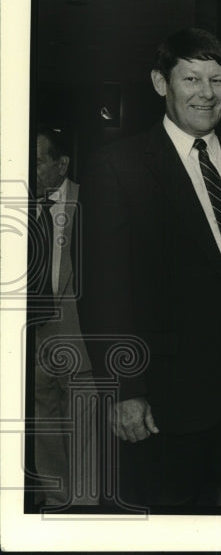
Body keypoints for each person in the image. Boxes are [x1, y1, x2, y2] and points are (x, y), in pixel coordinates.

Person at [78, 28, 221, 508]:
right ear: (160, 82)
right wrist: (125, 389)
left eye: (217, 79)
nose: (206, 93)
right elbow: (103, 291)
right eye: (190, 78)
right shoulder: (117, 167)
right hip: (163, 403)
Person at [29, 129, 98, 507]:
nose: (31, 168)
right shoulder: (20, 204)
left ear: (62, 163)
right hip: (35, 339)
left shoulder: (91, 201)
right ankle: (56, 504)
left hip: (80, 338)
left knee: (86, 429)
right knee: (44, 429)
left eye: (39, 160)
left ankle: (86, 513)